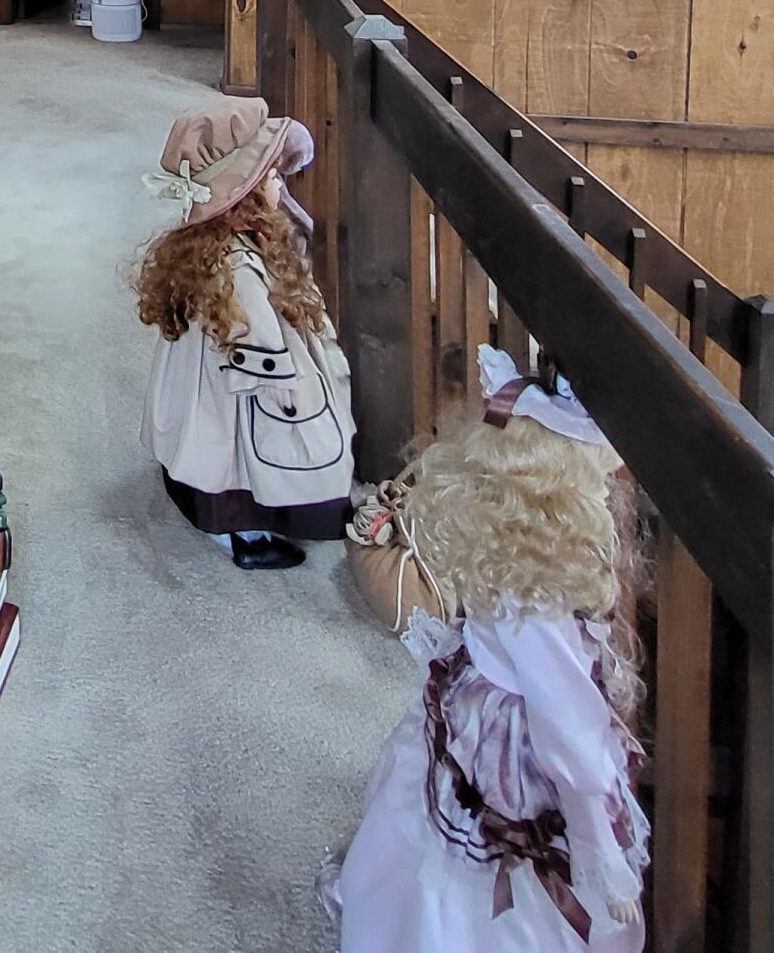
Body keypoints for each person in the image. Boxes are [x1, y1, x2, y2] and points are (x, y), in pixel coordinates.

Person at [331, 348, 649, 952]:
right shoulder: (542, 601)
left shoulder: (496, 551)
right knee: (497, 875)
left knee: (427, 826)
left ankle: (390, 921)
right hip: (514, 743)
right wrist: (599, 848)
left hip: (474, 709)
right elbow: (570, 736)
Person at [134, 101, 355, 569]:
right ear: (245, 193)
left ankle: (216, 496)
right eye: (273, 178)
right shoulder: (233, 266)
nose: (282, 185)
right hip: (238, 382)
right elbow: (252, 337)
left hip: (214, 371)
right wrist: (288, 391)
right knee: (240, 444)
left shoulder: (223, 247)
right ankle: (241, 529)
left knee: (213, 439)